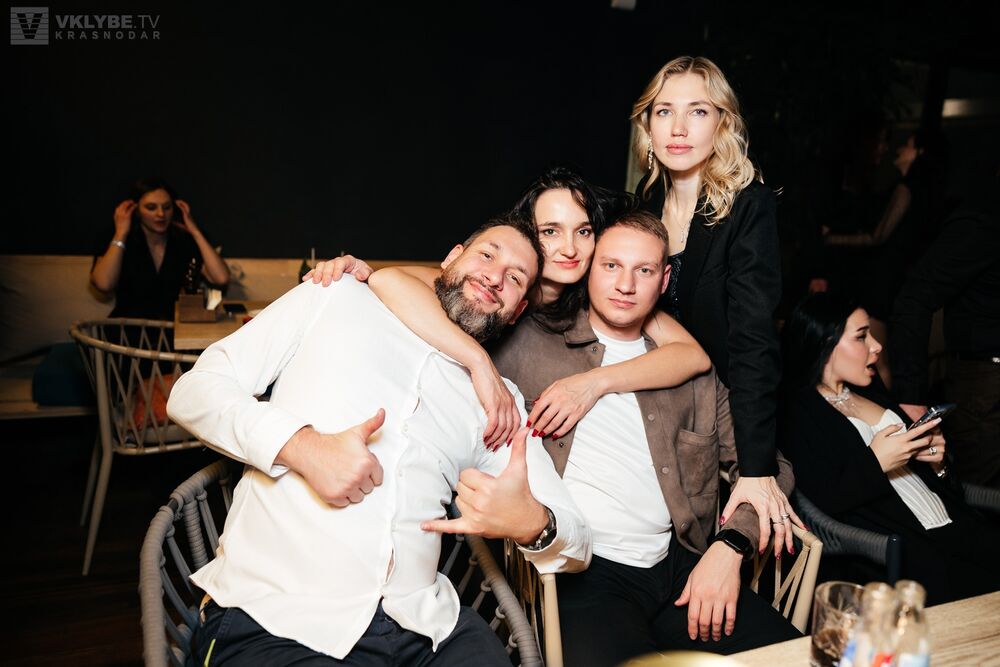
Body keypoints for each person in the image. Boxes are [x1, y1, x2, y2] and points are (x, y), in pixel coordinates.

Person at [308, 165, 801, 555]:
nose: (568, 248)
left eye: (583, 231)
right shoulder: (492, 287)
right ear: (528, 234)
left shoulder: (603, 302)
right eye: (550, 231)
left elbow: (691, 355)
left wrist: (593, 383)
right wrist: (480, 362)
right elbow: (393, 281)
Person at [166, 216, 590, 665]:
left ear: (517, 311)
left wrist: (533, 523)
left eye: (515, 278)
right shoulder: (335, 296)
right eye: (486, 255)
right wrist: (303, 447)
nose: (494, 277)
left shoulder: (498, 402)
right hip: (279, 615)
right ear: (451, 259)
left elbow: (578, 540)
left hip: (429, 629)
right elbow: (193, 391)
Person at [491, 211, 799, 665]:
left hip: (680, 564)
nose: (625, 285)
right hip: (583, 572)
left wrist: (730, 546)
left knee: (797, 657)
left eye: (645, 270)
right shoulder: (530, 342)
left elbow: (769, 469)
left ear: (664, 279)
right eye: (611, 265)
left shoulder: (694, 373)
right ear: (590, 268)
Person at [631, 56, 800, 534]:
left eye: (698, 111)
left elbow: (753, 341)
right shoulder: (643, 205)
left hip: (723, 415)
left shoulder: (749, 206)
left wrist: (756, 467)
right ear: (648, 125)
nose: (678, 128)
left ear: (722, 123)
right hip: (656, 403)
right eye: (665, 111)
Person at [780, 292, 1000, 605]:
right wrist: (875, 462)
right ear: (825, 343)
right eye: (861, 336)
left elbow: (931, 479)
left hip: (953, 522)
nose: (877, 346)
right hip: (899, 546)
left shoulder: (870, 386)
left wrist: (939, 464)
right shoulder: (797, 410)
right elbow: (817, 505)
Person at [824, 128, 948, 386]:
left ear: (920, 153)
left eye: (908, 145)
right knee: (881, 355)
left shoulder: (906, 189)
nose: (900, 149)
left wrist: (831, 238)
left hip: (883, 278)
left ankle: (886, 409)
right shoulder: (924, 193)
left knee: (878, 359)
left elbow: (877, 237)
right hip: (894, 276)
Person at [890, 206, 1000, 487]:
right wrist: (910, 396)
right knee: (979, 490)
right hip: (986, 381)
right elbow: (915, 297)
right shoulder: (984, 220)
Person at [90, 178, 230, 320]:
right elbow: (103, 284)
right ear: (136, 210)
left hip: (174, 327)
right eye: (151, 207)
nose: (161, 214)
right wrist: (121, 234)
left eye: (167, 207)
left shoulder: (184, 240)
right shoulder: (120, 238)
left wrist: (195, 231)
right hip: (128, 328)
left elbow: (221, 278)